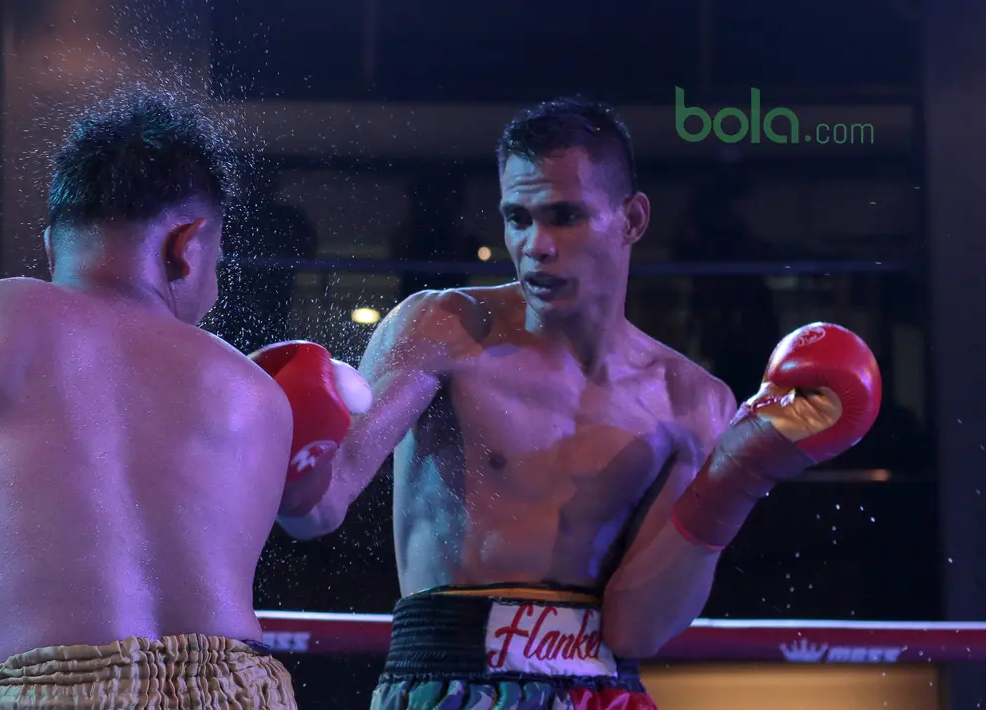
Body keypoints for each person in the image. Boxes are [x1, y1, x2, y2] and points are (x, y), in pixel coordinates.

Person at [270, 97, 883, 709]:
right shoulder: (442, 328)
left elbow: (635, 630)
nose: (535, 244)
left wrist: (740, 475)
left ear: (632, 219)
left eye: (564, 216)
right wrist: (279, 429)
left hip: (604, 689)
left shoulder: (690, 399)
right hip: (450, 682)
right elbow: (317, 508)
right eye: (517, 217)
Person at [0, 92, 358, 709]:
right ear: (188, 243)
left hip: (44, 691)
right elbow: (300, 516)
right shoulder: (252, 391)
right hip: (243, 689)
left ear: (54, 244)